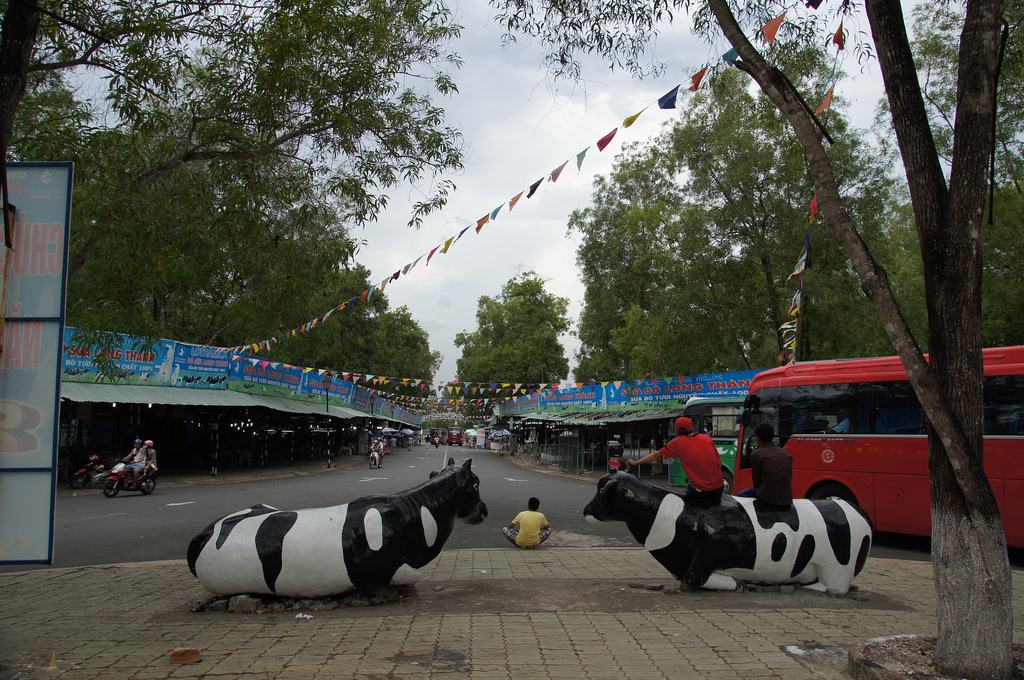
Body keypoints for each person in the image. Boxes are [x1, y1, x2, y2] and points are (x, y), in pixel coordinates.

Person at [625, 417, 724, 506]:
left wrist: (635, 462)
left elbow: (656, 455)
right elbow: (719, 463)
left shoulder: (677, 442)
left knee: (682, 503)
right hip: (719, 488)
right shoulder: (706, 438)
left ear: (676, 431)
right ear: (692, 428)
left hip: (702, 492)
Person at [736, 423, 793, 507]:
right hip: (787, 499)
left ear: (758, 438)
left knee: (741, 494)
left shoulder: (756, 454)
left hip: (768, 498)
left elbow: (756, 482)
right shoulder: (785, 453)